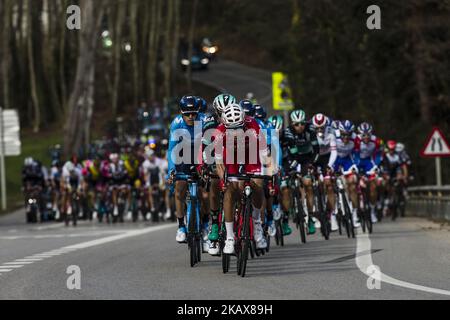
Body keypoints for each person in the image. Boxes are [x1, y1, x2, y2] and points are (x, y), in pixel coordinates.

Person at [214, 103, 269, 253]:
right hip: (231, 158)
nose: (235, 132)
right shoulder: (219, 132)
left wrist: (268, 172)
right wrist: (223, 181)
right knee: (230, 192)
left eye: (238, 127)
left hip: (251, 155)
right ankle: (230, 237)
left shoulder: (253, 124)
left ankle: (257, 223)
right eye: (231, 129)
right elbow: (219, 163)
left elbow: (264, 153)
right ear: (224, 125)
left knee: (258, 184)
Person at [167, 95, 209, 251]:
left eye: (194, 113)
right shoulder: (176, 124)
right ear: (181, 113)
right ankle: (181, 226)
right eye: (187, 114)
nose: (191, 117)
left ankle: (205, 224)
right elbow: (171, 149)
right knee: (179, 188)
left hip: (201, 154)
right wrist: (171, 170)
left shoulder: (204, 121)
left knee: (204, 193)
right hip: (182, 153)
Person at [280, 109, 320, 236]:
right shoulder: (288, 132)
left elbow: (316, 149)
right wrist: (291, 168)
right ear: (292, 124)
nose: (300, 126)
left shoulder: (311, 129)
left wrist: (312, 164)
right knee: (285, 187)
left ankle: (311, 219)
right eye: (296, 124)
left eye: (302, 123)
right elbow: (291, 151)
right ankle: (285, 220)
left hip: (307, 158)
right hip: (292, 158)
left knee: (308, 183)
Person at [311, 113, 338, 231]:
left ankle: (332, 215)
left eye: (322, 127)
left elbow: (334, 151)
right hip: (315, 159)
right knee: (314, 184)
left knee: (329, 186)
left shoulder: (331, 132)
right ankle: (316, 210)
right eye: (317, 128)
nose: (320, 130)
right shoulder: (310, 133)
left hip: (327, 158)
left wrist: (329, 165)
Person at [354, 122, 383, 223]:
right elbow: (352, 154)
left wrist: (375, 165)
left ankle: (372, 210)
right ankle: (354, 209)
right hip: (357, 161)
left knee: (373, 186)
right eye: (363, 135)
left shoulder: (377, 141)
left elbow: (379, 155)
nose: (366, 137)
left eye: (368, 135)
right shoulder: (355, 140)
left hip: (368, 163)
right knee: (353, 183)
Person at [333, 120, 360, 227]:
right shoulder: (334, 136)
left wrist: (355, 166)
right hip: (335, 159)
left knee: (353, 182)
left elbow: (357, 154)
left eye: (348, 135)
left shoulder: (356, 138)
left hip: (348, 160)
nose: (345, 137)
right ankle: (333, 214)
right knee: (330, 183)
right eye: (343, 134)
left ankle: (354, 214)